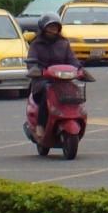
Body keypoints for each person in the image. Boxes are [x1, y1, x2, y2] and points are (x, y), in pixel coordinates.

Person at [24, 13, 81, 141]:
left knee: (76, 90)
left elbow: (72, 59)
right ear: (43, 29)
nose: (53, 30)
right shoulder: (36, 45)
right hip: (42, 81)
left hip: (63, 81)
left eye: (55, 28)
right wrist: (37, 71)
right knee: (47, 90)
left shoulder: (64, 43)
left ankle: (75, 117)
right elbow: (31, 62)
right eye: (50, 27)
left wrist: (79, 69)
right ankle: (40, 125)